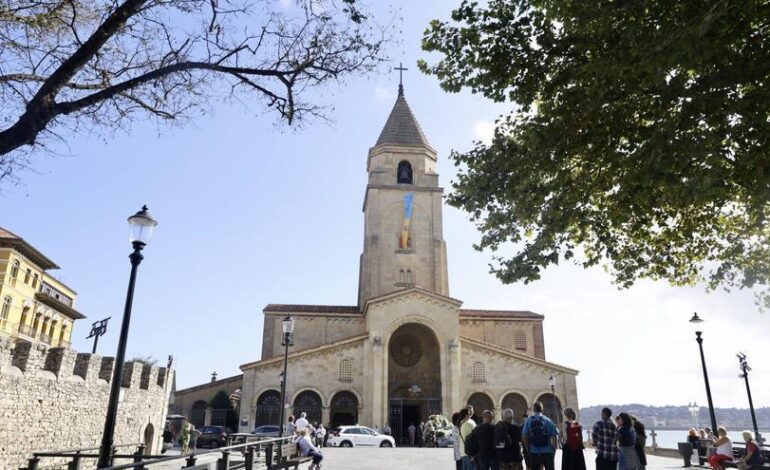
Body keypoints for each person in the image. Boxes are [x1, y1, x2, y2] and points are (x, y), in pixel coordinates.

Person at [522, 401, 558, 470]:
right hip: (547, 451)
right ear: (542, 409)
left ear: (534, 409)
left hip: (534, 451)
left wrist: (528, 448)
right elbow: (554, 437)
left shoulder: (529, 420)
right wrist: (553, 451)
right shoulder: (548, 421)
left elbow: (524, 436)